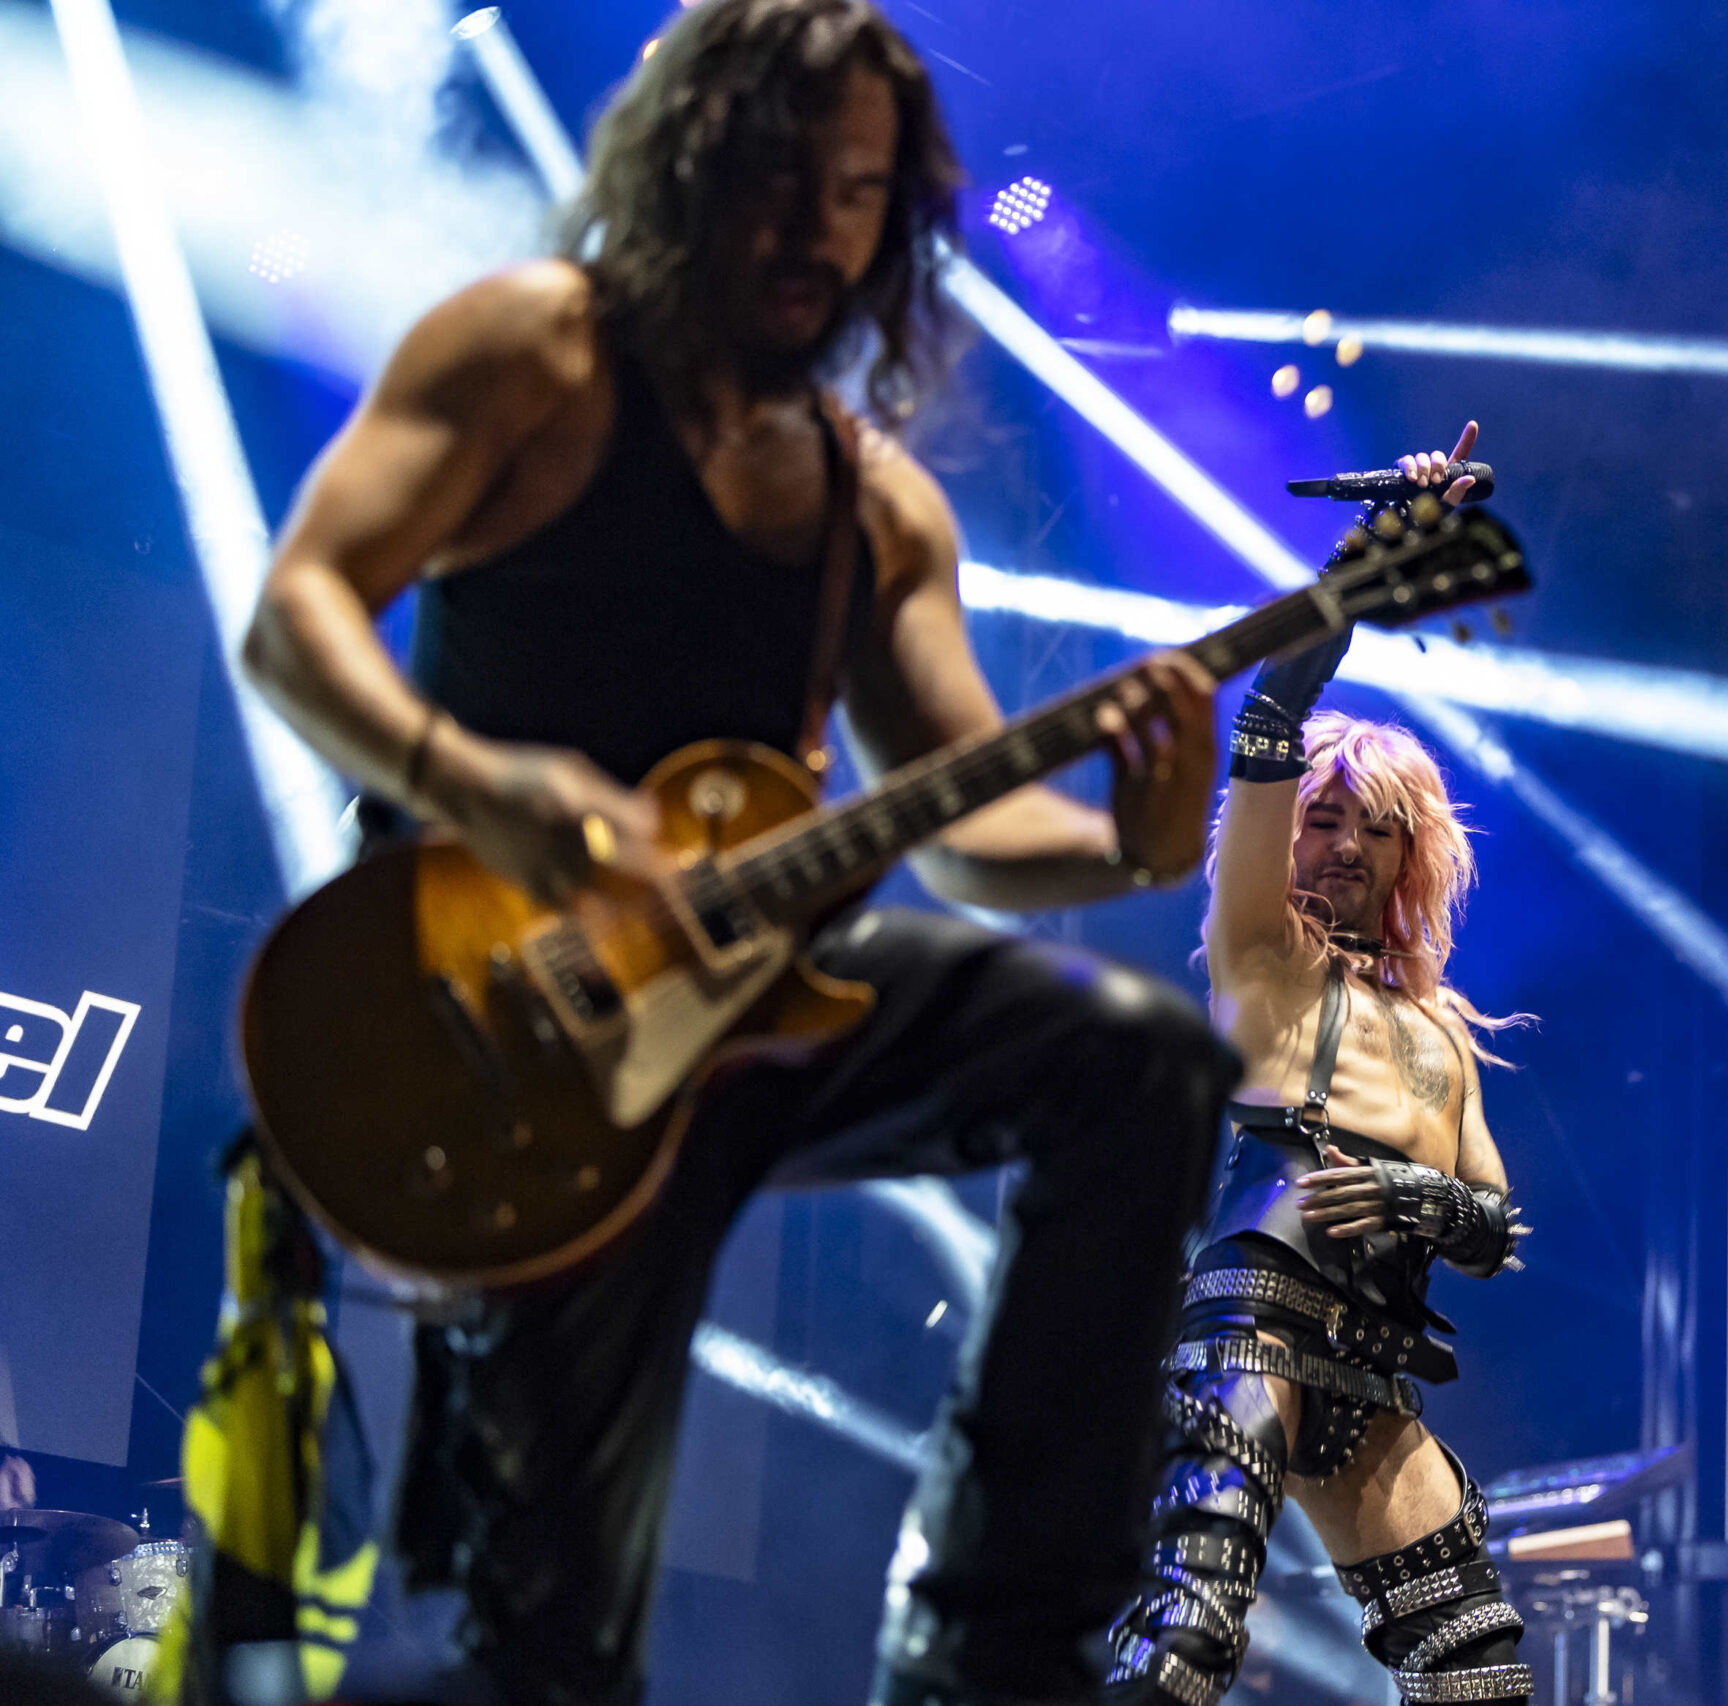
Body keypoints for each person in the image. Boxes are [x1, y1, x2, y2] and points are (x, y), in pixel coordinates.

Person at [239, 1, 1240, 1701]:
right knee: (550, 1654)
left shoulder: (877, 504)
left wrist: (1128, 842)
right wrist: (476, 787)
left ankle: (994, 1653)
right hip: (519, 1041)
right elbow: (299, 613)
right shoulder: (533, 356)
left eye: (857, 190)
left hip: (762, 1020)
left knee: (1139, 1061)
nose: (816, 228)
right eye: (782, 172)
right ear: (691, 154)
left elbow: (961, 813)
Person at [1106, 430, 1536, 1706]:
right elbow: (1271, 714)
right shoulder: (1263, 954)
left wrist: (1420, 1201)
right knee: (1185, 1635)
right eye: (1322, 818)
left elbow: (1497, 1223)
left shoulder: (1443, 1032)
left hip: (1375, 1360)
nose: (1339, 841)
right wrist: (1369, 561)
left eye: (1369, 824)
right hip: (1253, 1316)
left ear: (1416, 852)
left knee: (1478, 1678)